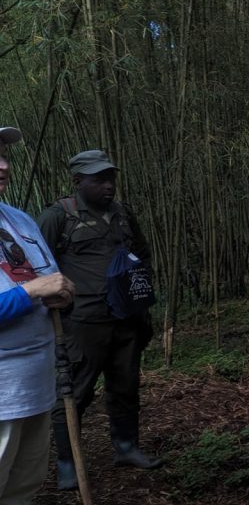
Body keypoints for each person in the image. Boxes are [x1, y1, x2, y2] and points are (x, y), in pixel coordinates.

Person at [37, 150, 161, 491]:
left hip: (126, 318)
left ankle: (126, 447)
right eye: (99, 179)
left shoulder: (123, 213)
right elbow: (36, 267)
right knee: (75, 392)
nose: (108, 185)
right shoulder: (58, 216)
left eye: (111, 178)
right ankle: (66, 463)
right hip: (83, 321)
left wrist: (141, 291)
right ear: (78, 182)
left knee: (125, 384)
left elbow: (143, 253)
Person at [0, 126, 75, 504]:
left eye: (3, 155)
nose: (2, 165)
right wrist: (31, 292)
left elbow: (48, 281)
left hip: (35, 384)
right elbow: (32, 289)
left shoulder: (21, 220)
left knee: (22, 489)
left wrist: (60, 295)